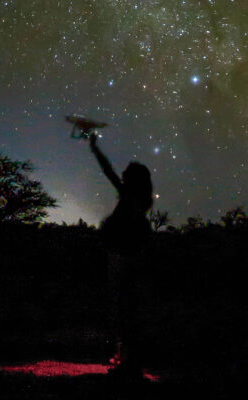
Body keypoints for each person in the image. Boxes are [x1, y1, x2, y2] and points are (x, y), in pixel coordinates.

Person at [89, 132, 153, 380]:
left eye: (127, 174)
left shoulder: (130, 199)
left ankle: (129, 362)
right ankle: (126, 359)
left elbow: (108, 171)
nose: (123, 175)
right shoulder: (140, 200)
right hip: (129, 255)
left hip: (125, 257)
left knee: (124, 309)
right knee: (128, 308)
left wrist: (95, 149)